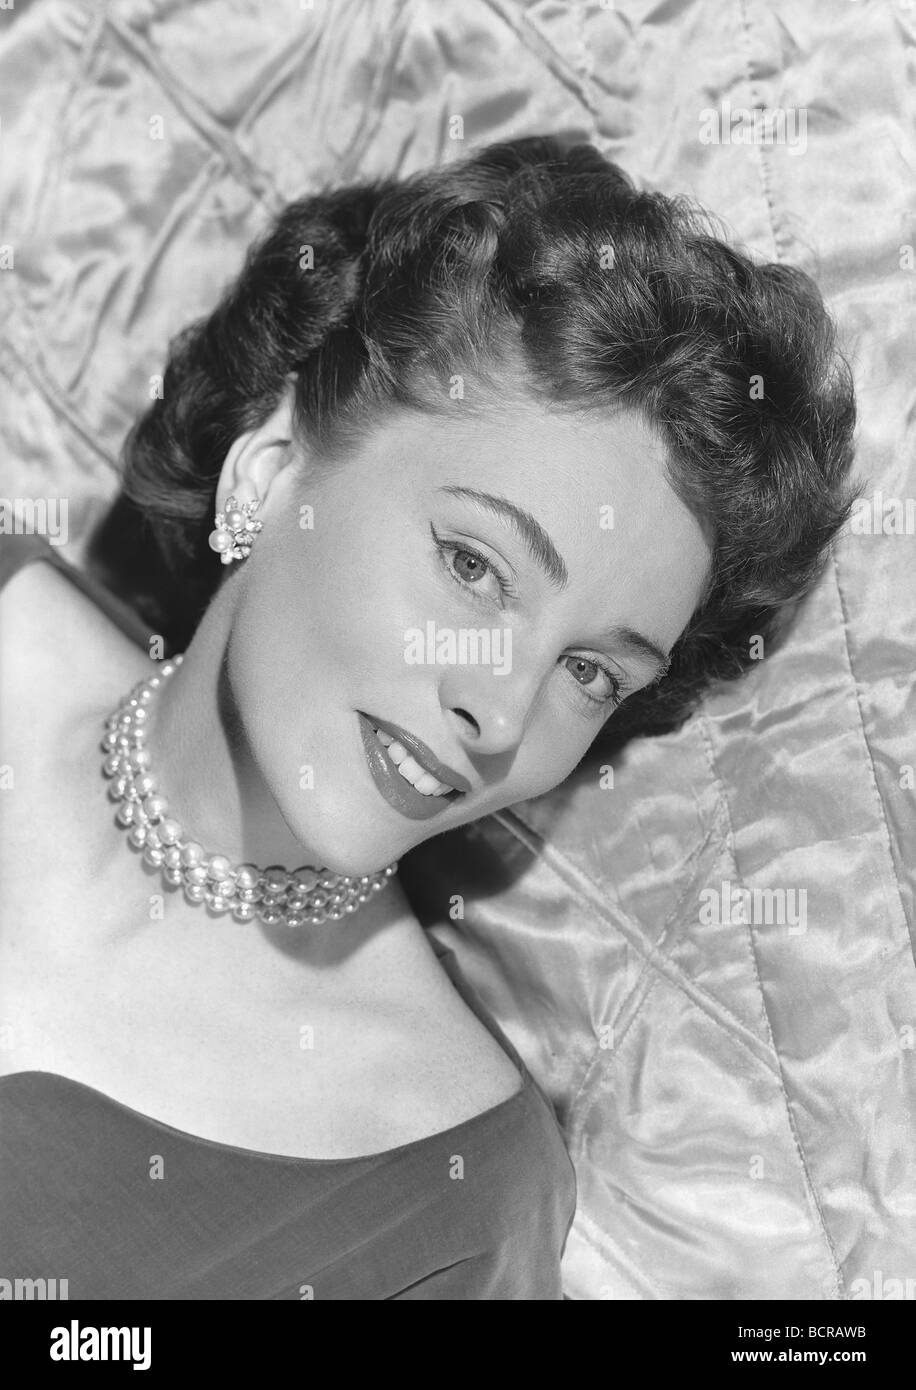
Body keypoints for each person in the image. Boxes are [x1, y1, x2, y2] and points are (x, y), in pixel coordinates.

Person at [0, 135, 859, 1300]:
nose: (499, 706)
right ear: (271, 469)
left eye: (592, 674)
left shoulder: (443, 1194)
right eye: (474, 564)